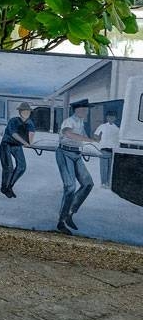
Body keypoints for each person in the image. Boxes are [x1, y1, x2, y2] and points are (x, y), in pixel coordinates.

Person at [55, 99, 97, 234]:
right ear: (77, 110)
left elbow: (84, 138)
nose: (86, 112)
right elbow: (68, 134)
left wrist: (95, 140)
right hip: (65, 153)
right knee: (70, 187)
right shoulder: (69, 121)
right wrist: (89, 140)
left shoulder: (80, 122)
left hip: (76, 154)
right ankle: (61, 222)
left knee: (88, 183)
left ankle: (70, 213)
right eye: (84, 109)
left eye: (87, 109)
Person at [0, 102, 35, 198]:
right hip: (6, 144)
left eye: (28, 111)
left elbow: (31, 135)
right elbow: (14, 134)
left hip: (17, 146)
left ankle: (9, 186)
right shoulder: (13, 121)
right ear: (20, 112)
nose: (26, 113)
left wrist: (30, 143)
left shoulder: (30, 123)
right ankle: (4, 187)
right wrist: (24, 142)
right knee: (8, 168)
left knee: (22, 167)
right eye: (24, 111)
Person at [94, 110, 120, 189]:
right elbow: (95, 135)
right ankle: (103, 183)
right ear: (106, 117)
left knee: (110, 168)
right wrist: (100, 141)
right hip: (104, 149)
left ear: (115, 118)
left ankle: (108, 183)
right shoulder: (103, 126)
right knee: (103, 168)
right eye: (109, 116)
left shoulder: (117, 128)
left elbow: (119, 139)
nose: (111, 118)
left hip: (113, 150)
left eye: (112, 117)